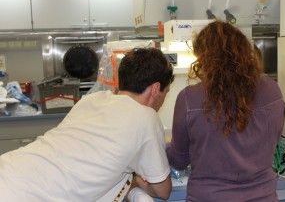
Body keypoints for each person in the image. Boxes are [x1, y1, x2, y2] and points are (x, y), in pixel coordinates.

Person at [0, 47, 174, 202]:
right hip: (30, 196)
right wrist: (140, 183)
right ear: (155, 89)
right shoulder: (146, 117)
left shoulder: (92, 99)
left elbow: (91, 159)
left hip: (9, 169)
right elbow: (163, 190)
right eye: (166, 92)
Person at [166, 20, 285, 202]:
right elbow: (273, 140)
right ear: (244, 51)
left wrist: (164, 145)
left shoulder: (189, 98)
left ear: (204, 58)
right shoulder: (272, 90)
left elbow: (178, 161)